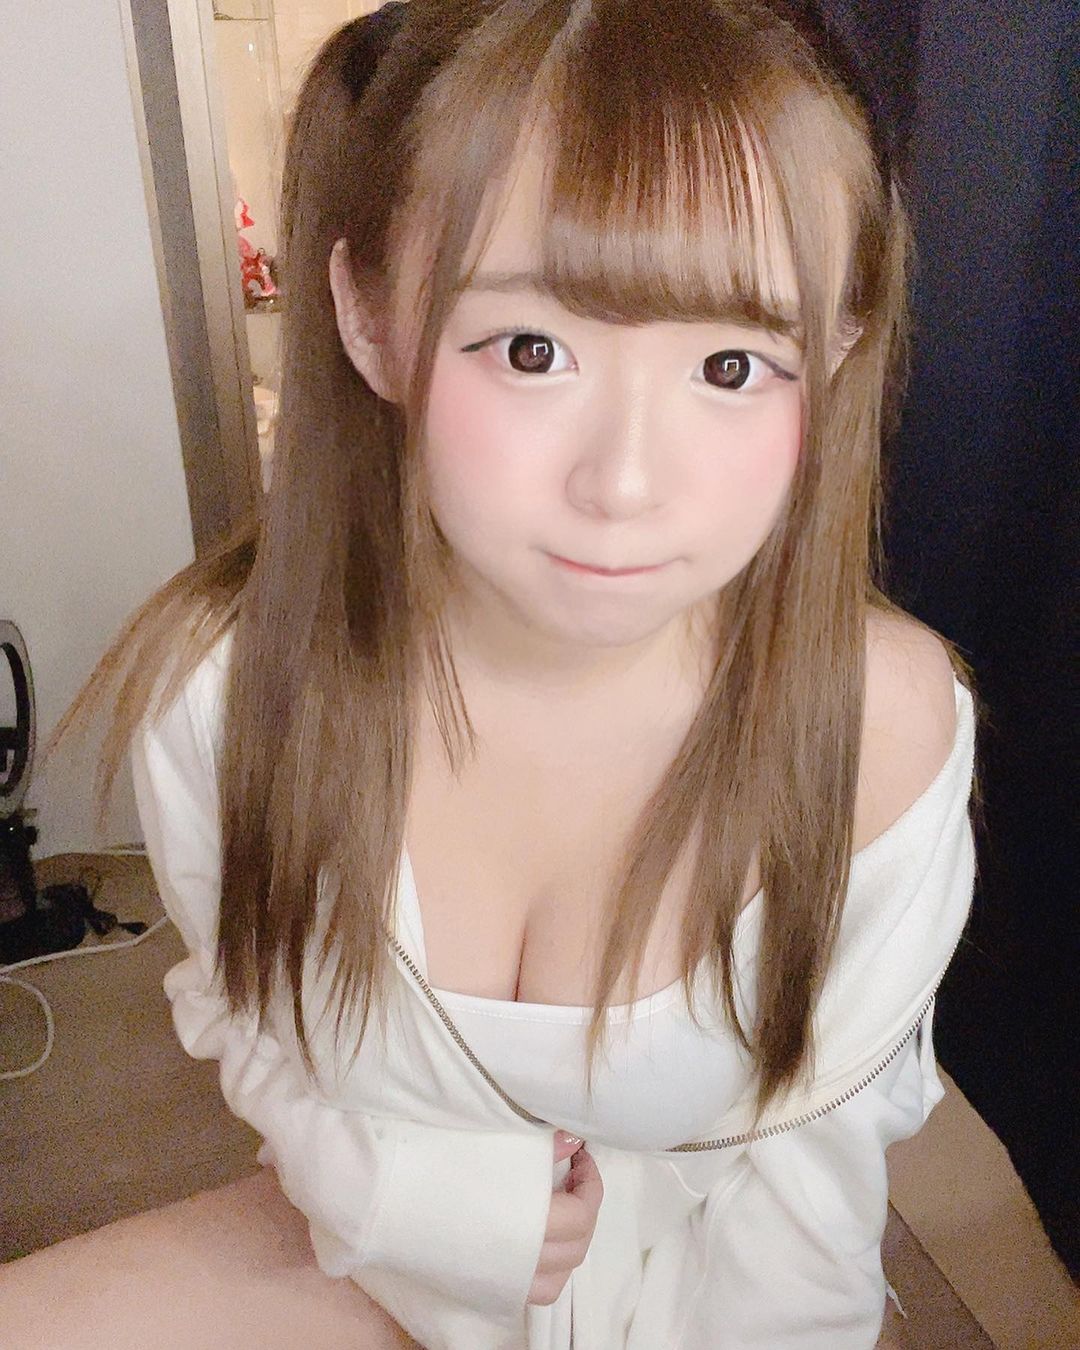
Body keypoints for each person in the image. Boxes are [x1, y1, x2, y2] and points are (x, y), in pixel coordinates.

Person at [55, 1, 981, 1346]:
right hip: (374, 1275)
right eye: (533, 351)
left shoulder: (877, 730)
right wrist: (386, 1193)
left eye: (731, 365)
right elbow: (246, 1015)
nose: (626, 482)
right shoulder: (229, 694)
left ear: (835, 353)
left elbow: (806, 1201)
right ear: (370, 319)